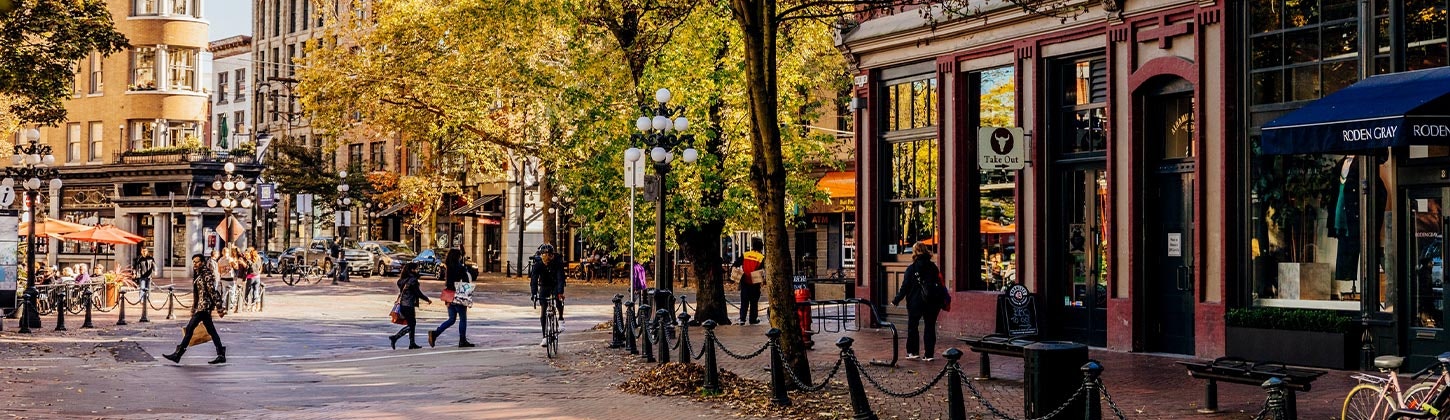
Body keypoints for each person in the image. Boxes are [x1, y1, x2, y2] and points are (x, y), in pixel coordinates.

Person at [163, 253, 226, 364]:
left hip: (204, 307)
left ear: (202, 262)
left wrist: (219, 307)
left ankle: (178, 354)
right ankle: (221, 354)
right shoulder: (198, 274)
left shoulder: (206, 274)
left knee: (190, 329)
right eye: (194, 262)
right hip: (201, 307)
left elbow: (212, 291)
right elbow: (197, 294)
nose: (195, 264)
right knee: (211, 331)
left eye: (197, 262)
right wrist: (194, 307)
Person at [892, 242, 945, 362]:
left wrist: (896, 300)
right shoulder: (933, 267)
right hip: (932, 302)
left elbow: (904, 287)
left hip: (915, 302)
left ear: (914, 252)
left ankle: (913, 352)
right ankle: (929, 354)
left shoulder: (911, 268)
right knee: (930, 327)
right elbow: (940, 284)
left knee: (913, 327)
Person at [427, 249, 474, 348]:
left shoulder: (448, 267)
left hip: (449, 295)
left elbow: (448, 282)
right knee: (463, 319)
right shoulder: (460, 268)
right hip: (458, 295)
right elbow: (466, 281)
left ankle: (436, 333)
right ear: (458, 257)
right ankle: (462, 340)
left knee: (451, 319)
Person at [530, 243, 567, 347]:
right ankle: (544, 337)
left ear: (552, 255)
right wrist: (533, 293)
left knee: (558, 298)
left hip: (555, 283)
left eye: (549, 255)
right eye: (544, 255)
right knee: (543, 309)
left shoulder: (557, 262)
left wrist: (560, 292)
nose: (547, 258)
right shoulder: (538, 264)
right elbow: (533, 280)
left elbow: (560, 278)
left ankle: (560, 318)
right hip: (544, 285)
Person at [390, 262, 432, 349]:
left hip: (403, 304)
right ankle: (395, 337)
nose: (418, 271)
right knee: (411, 325)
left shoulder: (403, 280)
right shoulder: (412, 280)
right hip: (408, 305)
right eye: (416, 269)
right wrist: (427, 299)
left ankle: (412, 343)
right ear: (412, 270)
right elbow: (418, 293)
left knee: (411, 323)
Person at [733, 238, 766, 325]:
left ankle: (742, 319)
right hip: (755, 281)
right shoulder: (761, 257)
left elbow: (736, 264)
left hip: (744, 280)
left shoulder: (746, 254)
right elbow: (763, 269)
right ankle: (752, 319)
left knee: (744, 301)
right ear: (761, 248)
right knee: (754, 302)